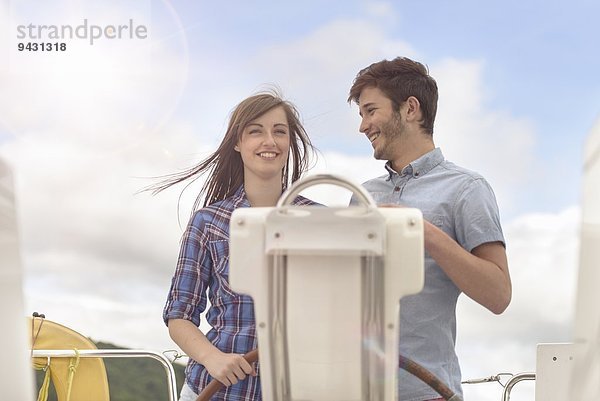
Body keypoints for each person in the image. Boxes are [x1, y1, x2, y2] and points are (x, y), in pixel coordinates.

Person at [348, 57, 511, 401]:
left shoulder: (467, 188)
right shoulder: (362, 196)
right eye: (361, 114)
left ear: (410, 109)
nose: (363, 126)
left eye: (370, 111)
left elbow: (498, 295)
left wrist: (423, 231)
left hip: (427, 392)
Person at [154, 92, 317, 401]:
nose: (269, 140)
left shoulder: (319, 220)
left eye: (279, 131)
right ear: (238, 143)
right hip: (216, 392)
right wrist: (212, 358)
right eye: (256, 131)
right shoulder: (208, 222)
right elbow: (179, 315)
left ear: (289, 142)